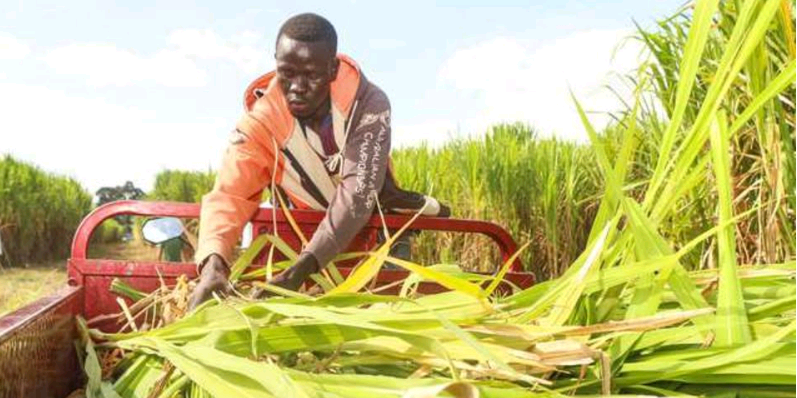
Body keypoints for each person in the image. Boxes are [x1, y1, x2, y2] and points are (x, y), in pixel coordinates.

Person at [188, 13, 449, 309]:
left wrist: (299, 272)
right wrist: (214, 265)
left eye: (311, 75)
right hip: (302, 234)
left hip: (373, 233)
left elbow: (356, 196)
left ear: (332, 69)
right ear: (276, 62)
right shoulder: (260, 124)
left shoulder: (367, 104)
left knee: (387, 312)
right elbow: (230, 195)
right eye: (287, 73)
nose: (297, 87)